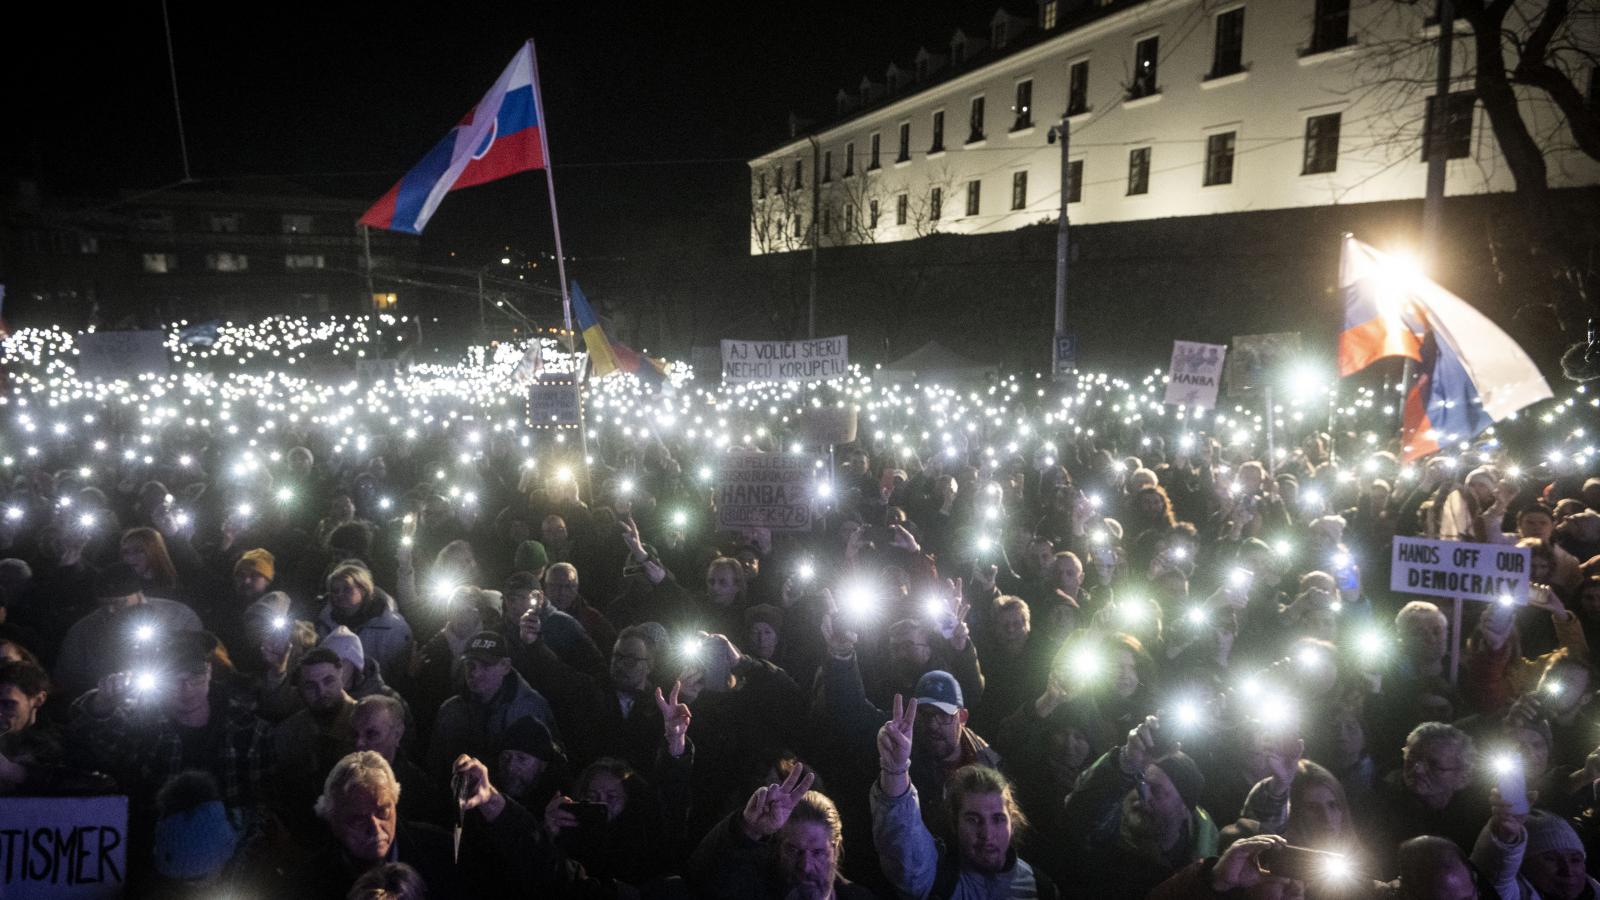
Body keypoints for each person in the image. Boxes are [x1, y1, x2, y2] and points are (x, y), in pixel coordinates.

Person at [67, 630, 273, 816]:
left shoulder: (248, 729)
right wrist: (102, 703)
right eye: (174, 680)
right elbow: (91, 740)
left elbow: (261, 803)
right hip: (156, 844)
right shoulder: (142, 724)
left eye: (195, 678)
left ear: (209, 672)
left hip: (231, 845)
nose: (186, 689)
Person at [870, 694, 1057, 899]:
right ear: (955, 823)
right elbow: (903, 838)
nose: (987, 833)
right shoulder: (939, 877)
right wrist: (894, 770)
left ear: (1012, 822)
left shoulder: (1040, 889)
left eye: (998, 819)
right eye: (973, 820)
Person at [1062, 714, 1219, 898]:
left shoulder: (1204, 866)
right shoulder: (1103, 832)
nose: (1143, 795)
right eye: (1136, 783)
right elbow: (1079, 813)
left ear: (1185, 809)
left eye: (1157, 790)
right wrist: (1125, 762)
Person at [689, 765, 879, 899]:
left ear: (835, 850)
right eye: (794, 851)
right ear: (778, 849)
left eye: (818, 853)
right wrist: (746, 829)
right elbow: (701, 880)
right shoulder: (754, 891)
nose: (805, 866)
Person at [54, 563, 202, 697]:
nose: (111, 610)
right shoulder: (83, 631)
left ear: (139, 595)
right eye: (105, 605)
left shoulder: (179, 616)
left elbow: (200, 664)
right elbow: (67, 680)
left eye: (119, 603)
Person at [425, 630, 557, 774]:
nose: (475, 673)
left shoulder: (530, 710)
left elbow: (547, 771)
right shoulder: (451, 710)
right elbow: (435, 766)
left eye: (486, 666)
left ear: (505, 666)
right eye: (470, 664)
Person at [1372, 722, 1489, 874]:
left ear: (1462, 775)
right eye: (1412, 758)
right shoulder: (1379, 807)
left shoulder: (1481, 813)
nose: (1418, 769)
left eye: (1434, 765)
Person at [317, 562, 413, 687]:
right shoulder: (326, 622)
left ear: (363, 589)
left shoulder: (393, 627)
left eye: (347, 589)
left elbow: (399, 673)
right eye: (335, 591)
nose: (339, 595)